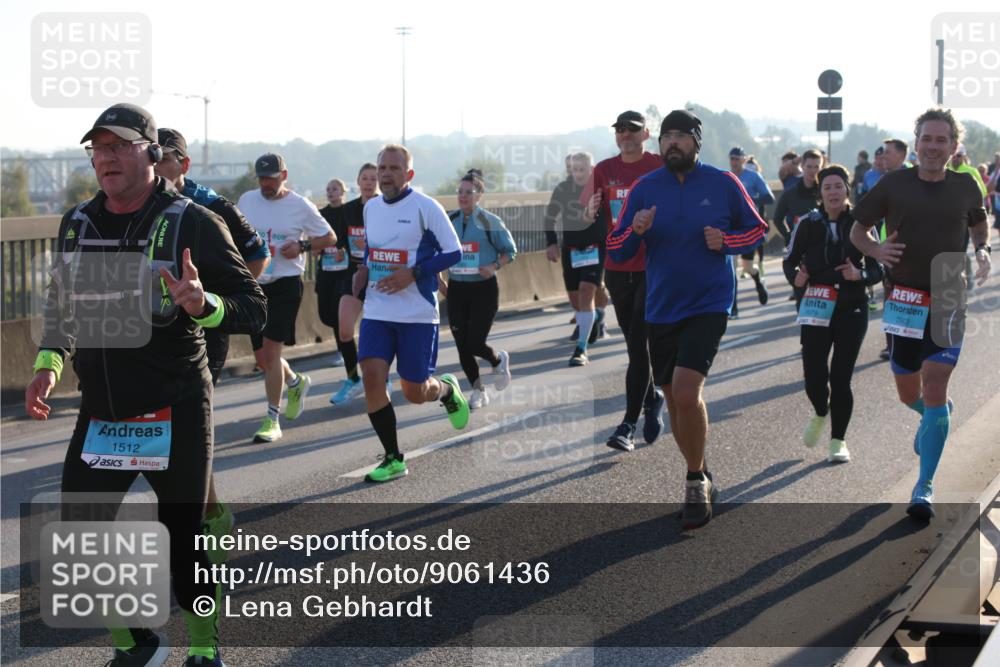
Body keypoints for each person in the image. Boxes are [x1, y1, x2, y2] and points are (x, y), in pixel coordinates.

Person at [25, 103, 266, 667]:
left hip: (174, 404)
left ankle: (204, 650)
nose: (105, 159)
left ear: (151, 152)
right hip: (104, 410)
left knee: (183, 538)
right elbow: (63, 307)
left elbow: (253, 309)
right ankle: (137, 643)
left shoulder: (192, 222)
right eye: (97, 148)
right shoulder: (78, 223)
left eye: (119, 146)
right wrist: (49, 364)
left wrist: (204, 304)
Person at [607, 109, 768, 528]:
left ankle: (694, 480)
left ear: (697, 142)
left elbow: (757, 229)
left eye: (681, 136)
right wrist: (636, 231)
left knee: (684, 389)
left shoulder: (723, 183)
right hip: (660, 306)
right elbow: (616, 248)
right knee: (672, 395)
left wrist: (727, 241)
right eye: (667, 136)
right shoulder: (644, 189)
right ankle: (702, 468)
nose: (672, 143)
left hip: (709, 303)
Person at [850, 108, 991, 520]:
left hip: (949, 288)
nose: (933, 147)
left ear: (953, 146)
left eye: (941, 140)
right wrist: (875, 250)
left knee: (935, 385)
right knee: (908, 392)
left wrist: (981, 249)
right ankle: (937, 418)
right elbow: (858, 229)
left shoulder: (966, 186)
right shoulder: (893, 184)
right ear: (916, 143)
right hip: (904, 296)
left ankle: (924, 486)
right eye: (926, 139)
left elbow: (979, 224)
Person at [154, 127, 270, 562]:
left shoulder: (213, 207)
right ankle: (202, 510)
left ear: (182, 165)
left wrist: (217, 302)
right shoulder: (143, 205)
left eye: (163, 158)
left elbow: (258, 257)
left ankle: (208, 515)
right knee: (166, 430)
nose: (154, 164)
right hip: (157, 333)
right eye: (150, 155)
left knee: (185, 426)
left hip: (207, 329)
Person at [355, 144, 469, 483]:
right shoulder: (371, 208)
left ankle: (446, 389)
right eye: (382, 168)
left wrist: (413, 273)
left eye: (394, 168)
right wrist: (363, 270)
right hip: (377, 309)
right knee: (372, 377)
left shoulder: (425, 207)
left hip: (417, 312)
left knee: (414, 392)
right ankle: (393, 457)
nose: (386, 173)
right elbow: (375, 249)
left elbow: (454, 252)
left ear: (409, 174)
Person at [783, 165, 883, 463]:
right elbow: (790, 262)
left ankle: (838, 440)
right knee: (814, 376)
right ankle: (819, 411)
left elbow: (880, 266)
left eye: (838, 186)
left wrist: (860, 273)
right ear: (821, 192)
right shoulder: (808, 223)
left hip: (852, 307)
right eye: (827, 187)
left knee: (841, 378)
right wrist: (796, 279)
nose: (833, 192)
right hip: (816, 305)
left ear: (847, 190)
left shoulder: (863, 223)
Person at [581, 110, 665, 452]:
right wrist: (590, 209)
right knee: (634, 344)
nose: (626, 135)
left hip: (653, 264)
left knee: (640, 345)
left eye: (632, 130)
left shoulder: (660, 165)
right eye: (620, 130)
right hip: (618, 264)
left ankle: (627, 424)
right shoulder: (604, 170)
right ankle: (653, 398)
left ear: (645, 134)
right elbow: (589, 214)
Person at [237, 154, 336, 443]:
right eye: (262, 178)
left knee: (271, 353)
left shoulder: (300, 206)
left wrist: (303, 245)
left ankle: (271, 418)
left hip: (286, 285)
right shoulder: (247, 200)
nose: (267, 183)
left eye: (272, 177)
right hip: (255, 284)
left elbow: (329, 237)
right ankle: (295, 382)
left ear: (284, 175)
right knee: (263, 359)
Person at [439, 169, 516, 409]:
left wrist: (493, 265)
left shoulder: (489, 221)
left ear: (480, 195)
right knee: (462, 344)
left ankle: (497, 359)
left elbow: (510, 251)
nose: (463, 196)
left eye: (469, 192)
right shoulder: (449, 220)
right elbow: (436, 252)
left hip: (483, 289)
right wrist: (441, 281)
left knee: (474, 342)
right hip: (457, 290)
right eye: (460, 192)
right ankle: (478, 391)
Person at [544, 152, 609, 349]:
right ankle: (596, 316)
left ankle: (583, 342)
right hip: (571, 249)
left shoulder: (601, 189)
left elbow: (615, 215)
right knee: (575, 300)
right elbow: (550, 218)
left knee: (586, 289)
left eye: (582, 169)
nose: (578, 174)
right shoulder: (563, 189)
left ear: (591, 169)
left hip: (596, 248)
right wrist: (552, 243)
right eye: (575, 169)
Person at [329, 163, 382, 405]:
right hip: (353, 272)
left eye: (374, 178)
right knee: (344, 329)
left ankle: (383, 378)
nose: (369, 182)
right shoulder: (348, 210)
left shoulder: (386, 207)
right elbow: (340, 239)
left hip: (381, 273)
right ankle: (353, 378)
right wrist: (340, 251)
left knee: (381, 330)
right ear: (358, 182)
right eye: (365, 178)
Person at [728, 146, 773, 317]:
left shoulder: (753, 177)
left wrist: (749, 199)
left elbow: (770, 197)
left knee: (747, 267)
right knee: (731, 268)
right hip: (731, 227)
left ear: (744, 160)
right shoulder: (727, 177)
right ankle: (733, 307)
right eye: (732, 159)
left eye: (737, 159)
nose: (734, 162)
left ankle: (758, 280)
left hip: (748, 227)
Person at [316, 178, 351, 374]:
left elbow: (352, 237)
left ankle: (343, 351)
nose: (331, 192)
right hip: (326, 270)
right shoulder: (321, 214)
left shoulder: (348, 212)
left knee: (339, 313)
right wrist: (315, 248)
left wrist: (344, 249)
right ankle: (345, 342)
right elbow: (315, 236)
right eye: (328, 189)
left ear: (343, 191)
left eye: (335, 189)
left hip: (344, 271)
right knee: (325, 314)